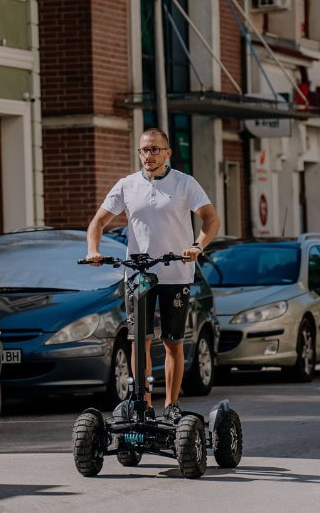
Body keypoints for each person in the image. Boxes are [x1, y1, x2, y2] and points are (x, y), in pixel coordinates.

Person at [86, 128, 220, 424]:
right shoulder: (127, 185)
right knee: (139, 341)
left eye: (155, 150)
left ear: (167, 153)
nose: (149, 155)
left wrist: (197, 245)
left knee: (173, 341)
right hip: (138, 275)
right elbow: (98, 222)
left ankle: (171, 404)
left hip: (176, 273)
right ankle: (142, 404)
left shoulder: (185, 183)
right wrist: (93, 249)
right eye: (144, 150)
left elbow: (210, 219)